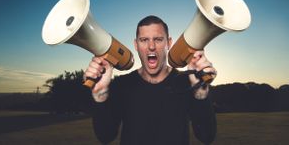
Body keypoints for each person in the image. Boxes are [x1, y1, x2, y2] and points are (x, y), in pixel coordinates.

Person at [84, 15, 217, 145]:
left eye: (158, 39)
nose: (151, 46)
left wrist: (201, 92)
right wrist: (100, 94)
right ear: (136, 45)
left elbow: (206, 136)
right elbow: (105, 137)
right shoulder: (121, 85)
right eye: (144, 40)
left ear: (169, 43)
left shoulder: (187, 83)